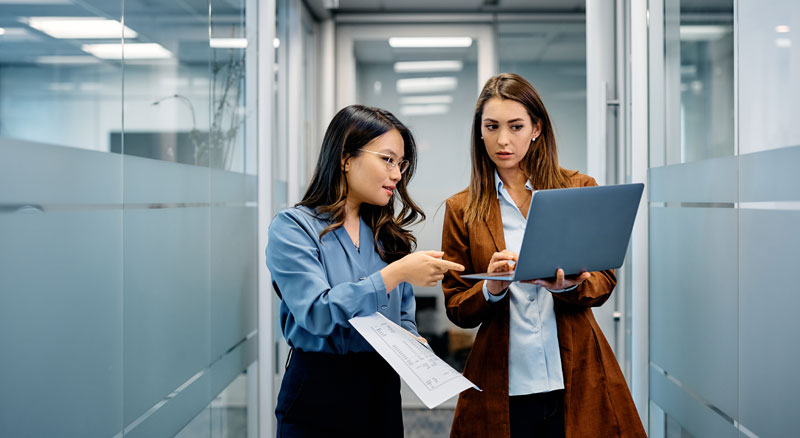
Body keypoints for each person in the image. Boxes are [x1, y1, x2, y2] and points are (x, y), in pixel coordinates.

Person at [440, 73, 645, 438]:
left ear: (536, 128)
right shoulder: (462, 208)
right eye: (492, 127)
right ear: (480, 132)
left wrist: (566, 286)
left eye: (516, 126)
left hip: (576, 370)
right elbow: (456, 306)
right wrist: (491, 290)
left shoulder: (579, 189)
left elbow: (604, 281)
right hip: (503, 377)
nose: (503, 140)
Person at [266, 104, 464, 438]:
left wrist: (416, 348)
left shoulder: (388, 237)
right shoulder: (293, 228)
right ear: (345, 158)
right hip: (317, 391)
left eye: (401, 164)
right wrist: (395, 274)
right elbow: (316, 312)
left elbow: (403, 320)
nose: (397, 174)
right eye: (387, 160)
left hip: (380, 391)